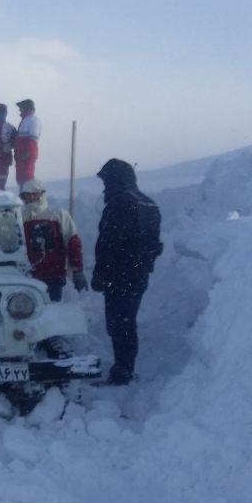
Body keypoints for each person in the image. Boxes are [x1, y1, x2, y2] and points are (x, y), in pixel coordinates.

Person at [91, 159, 164, 385]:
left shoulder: (120, 204)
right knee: (127, 322)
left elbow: (108, 244)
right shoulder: (149, 204)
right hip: (138, 275)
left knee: (118, 324)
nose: (104, 186)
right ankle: (125, 368)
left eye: (106, 180)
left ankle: (122, 371)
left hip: (118, 276)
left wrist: (100, 275)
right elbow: (154, 246)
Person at [18, 180, 86, 301]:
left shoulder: (58, 215)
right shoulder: (20, 217)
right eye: (25, 195)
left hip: (54, 275)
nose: (28, 198)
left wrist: (77, 270)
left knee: (53, 313)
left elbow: (72, 242)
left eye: (32, 194)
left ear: (41, 194)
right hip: (27, 277)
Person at [14, 98, 41, 185]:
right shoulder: (26, 119)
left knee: (26, 177)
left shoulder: (33, 120)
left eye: (21, 108)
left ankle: (28, 196)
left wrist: (27, 151)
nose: (19, 110)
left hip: (27, 154)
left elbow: (32, 139)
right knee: (21, 177)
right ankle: (23, 195)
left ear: (26, 108)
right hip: (22, 154)